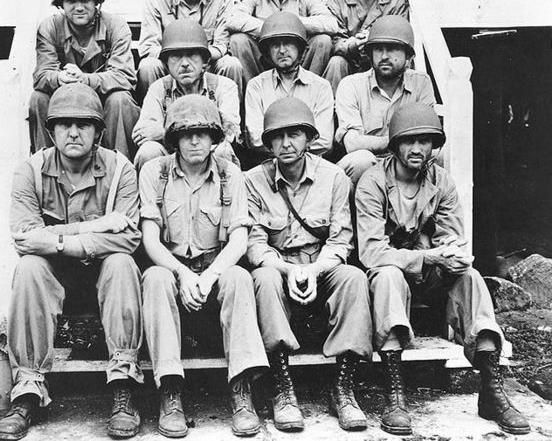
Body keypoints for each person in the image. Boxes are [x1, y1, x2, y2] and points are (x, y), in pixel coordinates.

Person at [355, 103, 531, 436]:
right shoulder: (372, 182)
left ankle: (492, 390)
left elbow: (452, 241)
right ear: (395, 144)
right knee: (390, 274)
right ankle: (396, 394)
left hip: (429, 275)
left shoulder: (441, 181)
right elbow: (372, 252)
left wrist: (449, 256)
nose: (418, 149)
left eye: (426, 141)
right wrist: (430, 255)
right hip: (388, 276)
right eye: (409, 141)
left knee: (470, 277)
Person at [0, 83, 144, 440]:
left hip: (104, 278)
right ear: (51, 131)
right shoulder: (30, 170)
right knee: (30, 267)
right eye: (64, 124)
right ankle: (28, 388)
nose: (73, 132)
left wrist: (58, 241)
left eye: (83, 124)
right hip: (53, 279)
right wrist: (93, 227)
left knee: (123, 263)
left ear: (99, 131)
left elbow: (128, 236)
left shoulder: (119, 168)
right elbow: (24, 239)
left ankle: (123, 383)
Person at [139, 95, 268, 438]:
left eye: (202, 133)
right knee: (153, 279)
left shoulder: (230, 175)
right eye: (186, 134)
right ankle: (170, 390)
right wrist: (182, 274)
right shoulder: (156, 171)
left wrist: (209, 276)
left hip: (215, 268)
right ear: (174, 139)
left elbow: (239, 240)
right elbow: (151, 239)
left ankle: (241, 388)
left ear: (214, 139)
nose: (194, 141)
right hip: (172, 268)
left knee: (240, 277)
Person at [245, 97, 372, 433]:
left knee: (353, 278)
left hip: (322, 267)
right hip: (280, 267)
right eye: (278, 136)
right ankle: (281, 386)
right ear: (268, 142)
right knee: (263, 278)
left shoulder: (333, 177)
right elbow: (256, 243)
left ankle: (343, 386)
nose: (286, 143)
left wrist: (314, 271)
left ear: (309, 138)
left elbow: (341, 240)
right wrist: (288, 270)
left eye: (295, 134)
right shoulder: (253, 180)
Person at [30, 0, 140, 159]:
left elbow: (125, 77)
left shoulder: (116, 27)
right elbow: (42, 75)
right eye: (71, 0)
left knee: (120, 100)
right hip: (64, 101)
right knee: (39, 98)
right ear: (60, 3)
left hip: (102, 100)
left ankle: (120, 170)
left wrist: (85, 80)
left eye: (86, 0)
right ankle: (45, 169)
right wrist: (59, 78)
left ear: (97, 1)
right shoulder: (50, 28)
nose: (79, 7)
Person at [136, 0, 243, 101]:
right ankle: (152, 119)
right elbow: (148, 47)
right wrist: (178, 59)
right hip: (170, 66)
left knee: (232, 64)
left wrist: (197, 61)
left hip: (207, 66)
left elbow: (221, 46)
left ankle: (232, 122)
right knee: (148, 66)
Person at [335, 15, 435, 185]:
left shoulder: (421, 82)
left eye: (392, 49)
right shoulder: (351, 85)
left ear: (408, 56)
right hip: (368, 166)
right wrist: (399, 140)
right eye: (378, 49)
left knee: (439, 157)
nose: (384, 56)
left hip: (407, 160)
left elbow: (426, 135)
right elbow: (352, 143)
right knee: (360, 160)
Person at [132, 19, 240, 171]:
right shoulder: (159, 88)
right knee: (148, 151)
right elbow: (144, 133)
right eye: (176, 56)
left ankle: (223, 195)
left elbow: (229, 132)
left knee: (223, 151)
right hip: (171, 158)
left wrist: (164, 132)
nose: (184, 63)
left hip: (207, 153)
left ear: (205, 61)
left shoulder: (224, 86)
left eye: (192, 55)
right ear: (166, 63)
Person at [245, 12, 334, 166]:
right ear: (267, 52)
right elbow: (255, 138)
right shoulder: (256, 86)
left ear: (300, 48)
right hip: (269, 164)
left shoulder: (320, 86)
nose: (282, 51)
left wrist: (289, 151)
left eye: (288, 43)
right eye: (275, 45)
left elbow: (324, 140)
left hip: (311, 164)